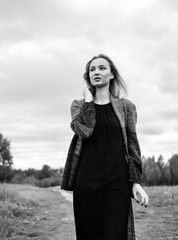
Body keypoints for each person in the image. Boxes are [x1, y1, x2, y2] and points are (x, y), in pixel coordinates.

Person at [61, 54, 149, 240]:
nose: (96, 72)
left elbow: (132, 143)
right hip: (86, 183)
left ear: (111, 75)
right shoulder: (78, 105)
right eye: (92, 69)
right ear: (88, 77)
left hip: (117, 182)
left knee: (115, 234)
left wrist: (136, 181)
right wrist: (88, 101)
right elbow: (84, 131)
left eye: (102, 68)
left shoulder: (126, 107)